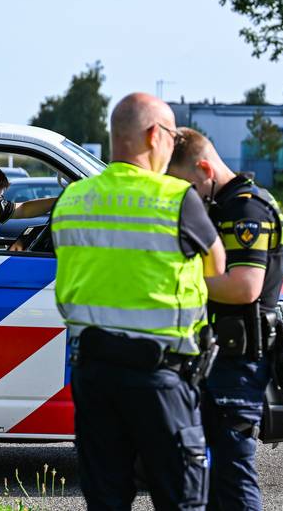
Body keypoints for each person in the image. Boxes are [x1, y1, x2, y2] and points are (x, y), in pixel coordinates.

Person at [53, 92, 225, 511]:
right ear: (153, 135)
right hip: (159, 378)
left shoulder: (72, 199)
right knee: (179, 499)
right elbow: (217, 266)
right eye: (171, 134)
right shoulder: (176, 198)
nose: (173, 144)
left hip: (93, 374)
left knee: (106, 500)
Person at [168, 128, 283, 511]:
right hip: (220, 356)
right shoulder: (223, 205)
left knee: (234, 476)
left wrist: (179, 280)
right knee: (214, 477)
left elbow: (244, 287)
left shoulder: (246, 209)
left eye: (186, 183)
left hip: (240, 361)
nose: (186, 194)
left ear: (204, 168)